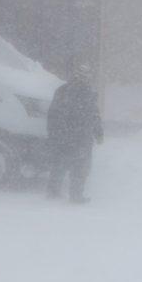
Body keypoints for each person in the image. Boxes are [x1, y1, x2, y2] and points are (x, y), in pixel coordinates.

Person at [46, 63, 103, 204]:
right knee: (76, 166)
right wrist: (56, 133)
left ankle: (60, 193)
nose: (84, 78)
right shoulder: (66, 92)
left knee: (65, 165)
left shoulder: (86, 93)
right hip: (73, 136)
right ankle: (72, 195)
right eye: (82, 75)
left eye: (86, 75)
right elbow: (54, 115)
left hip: (74, 136)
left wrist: (98, 131)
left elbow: (94, 114)